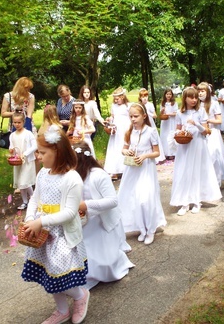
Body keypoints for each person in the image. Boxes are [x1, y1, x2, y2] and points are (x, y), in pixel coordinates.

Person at [20, 125, 89, 324]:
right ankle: (61, 310)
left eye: (42, 153)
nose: (39, 157)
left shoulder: (71, 178)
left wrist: (41, 221)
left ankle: (79, 296)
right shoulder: (43, 173)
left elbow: (69, 213)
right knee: (48, 275)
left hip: (62, 235)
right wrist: (30, 219)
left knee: (59, 273)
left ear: (57, 152)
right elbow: (35, 199)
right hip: (42, 233)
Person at [73, 141, 134, 288]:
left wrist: (85, 205)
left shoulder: (99, 175)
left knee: (104, 265)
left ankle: (111, 262)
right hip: (83, 219)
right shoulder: (74, 175)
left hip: (101, 219)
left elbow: (113, 201)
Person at [117, 103, 166, 244]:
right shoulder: (130, 131)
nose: (133, 119)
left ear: (144, 116)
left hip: (146, 169)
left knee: (145, 198)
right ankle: (141, 228)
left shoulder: (151, 131)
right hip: (132, 169)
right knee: (133, 198)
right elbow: (123, 149)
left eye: (136, 116)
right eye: (131, 116)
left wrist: (144, 156)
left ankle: (150, 230)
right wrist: (126, 151)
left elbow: (157, 152)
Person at [170, 87, 222, 216]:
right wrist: (178, 133)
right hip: (185, 146)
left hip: (198, 144)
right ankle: (184, 201)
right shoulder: (179, 113)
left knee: (197, 171)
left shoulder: (201, 111)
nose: (194, 100)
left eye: (195, 97)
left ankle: (197, 200)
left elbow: (207, 131)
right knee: (185, 171)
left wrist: (196, 124)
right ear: (185, 98)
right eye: (191, 97)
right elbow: (177, 128)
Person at [198, 82, 224, 185]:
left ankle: (217, 181)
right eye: (199, 91)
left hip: (212, 133)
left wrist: (207, 121)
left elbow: (219, 120)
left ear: (207, 92)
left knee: (214, 156)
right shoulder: (197, 105)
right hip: (201, 133)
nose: (200, 93)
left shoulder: (214, 103)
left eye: (202, 91)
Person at [9, 112, 37, 210]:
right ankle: (25, 201)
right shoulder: (12, 135)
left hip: (27, 161)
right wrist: (11, 150)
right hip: (18, 162)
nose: (17, 124)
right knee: (21, 183)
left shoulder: (28, 134)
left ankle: (34, 199)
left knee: (25, 182)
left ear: (23, 122)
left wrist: (25, 154)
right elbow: (12, 146)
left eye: (19, 122)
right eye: (15, 122)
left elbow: (35, 146)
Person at [103, 87, 132, 180]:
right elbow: (112, 116)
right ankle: (114, 170)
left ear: (123, 97)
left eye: (118, 98)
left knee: (124, 146)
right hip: (116, 129)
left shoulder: (128, 106)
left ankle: (125, 170)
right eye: (115, 99)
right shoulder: (114, 106)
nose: (116, 100)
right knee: (115, 148)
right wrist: (109, 119)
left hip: (125, 128)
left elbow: (131, 117)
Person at [138, 88, 165, 164]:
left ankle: (157, 155)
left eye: (146, 96)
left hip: (150, 122)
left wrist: (148, 113)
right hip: (143, 122)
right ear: (140, 97)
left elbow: (155, 116)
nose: (144, 98)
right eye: (143, 96)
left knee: (153, 138)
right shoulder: (139, 105)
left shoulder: (150, 104)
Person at [159, 88, 178, 160]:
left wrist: (169, 114)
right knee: (165, 135)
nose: (168, 95)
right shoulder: (163, 103)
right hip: (165, 122)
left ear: (172, 95)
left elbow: (176, 113)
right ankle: (165, 152)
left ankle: (172, 153)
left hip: (172, 121)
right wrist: (162, 111)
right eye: (167, 94)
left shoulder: (174, 103)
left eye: (170, 94)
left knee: (171, 135)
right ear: (165, 95)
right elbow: (161, 114)